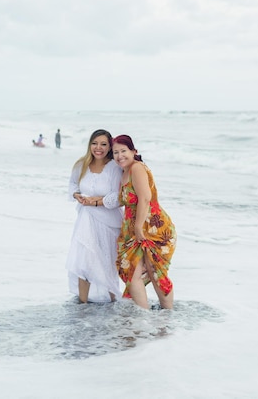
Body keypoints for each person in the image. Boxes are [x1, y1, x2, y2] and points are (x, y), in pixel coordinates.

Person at [112, 135, 177, 309]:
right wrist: (93, 200)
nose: (120, 156)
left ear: (134, 151)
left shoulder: (137, 168)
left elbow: (145, 198)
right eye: (115, 152)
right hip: (133, 232)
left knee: (157, 274)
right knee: (131, 272)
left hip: (154, 229)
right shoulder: (124, 172)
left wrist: (139, 227)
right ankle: (143, 318)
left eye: (123, 151)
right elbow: (122, 200)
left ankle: (166, 320)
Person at [66, 129, 123, 303]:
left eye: (104, 144)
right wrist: (77, 196)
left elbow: (118, 197)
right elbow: (73, 185)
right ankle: (82, 304)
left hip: (108, 222)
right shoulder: (81, 164)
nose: (98, 148)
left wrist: (96, 202)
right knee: (84, 260)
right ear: (89, 144)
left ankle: (114, 301)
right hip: (85, 219)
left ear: (109, 147)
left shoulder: (114, 168)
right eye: (94, 143)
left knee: (108, 261)